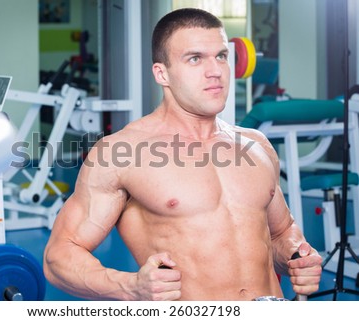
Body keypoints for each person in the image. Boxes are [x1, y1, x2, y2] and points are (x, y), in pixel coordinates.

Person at [43, 8, 322, 301]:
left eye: (222, 56)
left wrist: (296, 256)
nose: (215, 70)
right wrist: (131, 287)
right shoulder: (121, 154)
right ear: (162, 73)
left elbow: (281, 233)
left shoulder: (256, 145)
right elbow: (59, 256)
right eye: (194, 58)